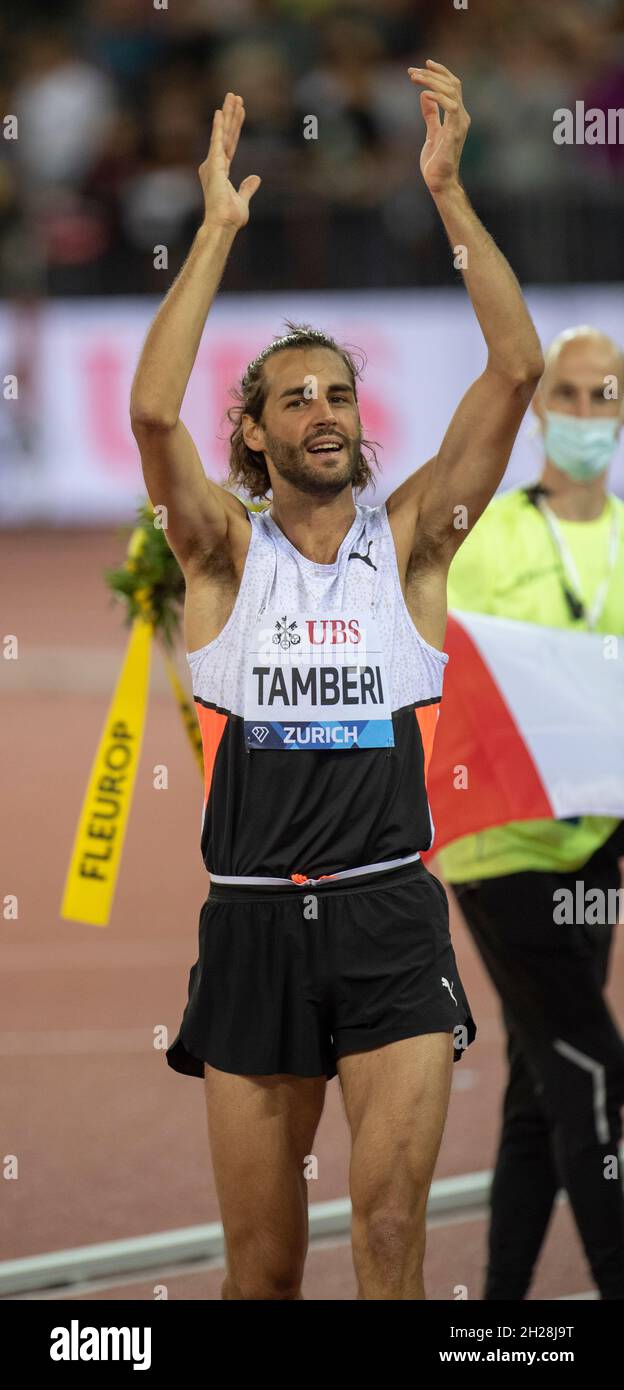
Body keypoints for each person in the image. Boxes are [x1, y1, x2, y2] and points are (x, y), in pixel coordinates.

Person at [130, 71, 544, 1301]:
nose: (325, 410)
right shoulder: (219, 555)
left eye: (341, 392)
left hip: (387, 920)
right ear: (251, 433)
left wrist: (449, 192)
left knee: (386, 1241)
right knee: (260, 1271)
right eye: (294, 396)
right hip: (252, 921)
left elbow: (514, 366)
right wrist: (213, 230)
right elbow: (155, 410)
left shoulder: (413, 544)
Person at [436, 324, 624, 1300]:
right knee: (595, 1070)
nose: (586, 415)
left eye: (605, 396)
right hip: (497, 844)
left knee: (539, 1085)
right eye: (568, 395)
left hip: (597, 851)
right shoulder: (484, 538)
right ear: (537, 408)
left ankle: (500, 1313)